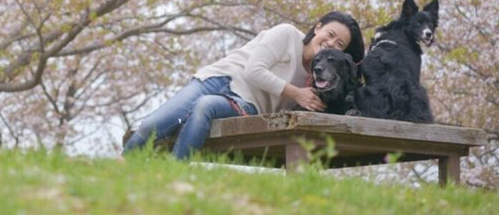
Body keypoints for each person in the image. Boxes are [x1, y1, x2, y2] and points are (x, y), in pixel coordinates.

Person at [122, 11, 365, 160]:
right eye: (330, 33)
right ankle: (124, 165)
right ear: (318, 26)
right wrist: (295, 93)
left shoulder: (319, 79)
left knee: (204, 107)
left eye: (339, 43)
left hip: (246, 104)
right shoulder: (287, 34)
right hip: (218, 80)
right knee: (155, 123)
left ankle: (173, 176)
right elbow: (253, 70)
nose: (331, 42)